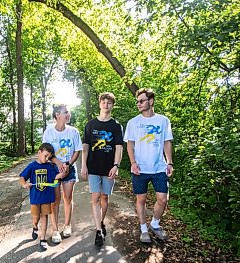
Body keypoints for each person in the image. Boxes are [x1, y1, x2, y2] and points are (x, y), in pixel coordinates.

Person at [123, 88, 174, 243]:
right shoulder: (133, 122)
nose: (138, 104)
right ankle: (143, 229)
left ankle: (155, 224)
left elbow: (167, 142)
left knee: (162, 199)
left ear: (151, 101)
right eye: (137, 101)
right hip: (139, 168)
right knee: (141, 199)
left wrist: (169, 162)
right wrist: (133, 163)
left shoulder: (163, 120)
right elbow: (129, 145)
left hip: (159, 167)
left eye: (142, 101)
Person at [81, 92, 123, 247]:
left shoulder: (116, 126)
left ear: (112, 105)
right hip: (93, 167)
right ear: (99, 104)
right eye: (104, 102)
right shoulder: (90, 125)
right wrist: (84, 165)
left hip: (109, 168)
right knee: (95, 198)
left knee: (105, 198)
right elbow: (85, 147)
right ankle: (98, 230)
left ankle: (101, 222)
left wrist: (116, 165)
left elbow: (119, 148)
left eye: (109, 102)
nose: (106, 104)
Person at [42, 104, 83, 240]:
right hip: (53, 169)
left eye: (68, 112)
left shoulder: (73, 132)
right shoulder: (49, 132)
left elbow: (77, 150)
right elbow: (46, 152)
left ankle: (67, 225)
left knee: (67, 197)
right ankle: (55, 230)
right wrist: (58, 163)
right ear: (57, 115)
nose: (68, 114)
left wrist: (68, 165)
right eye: (66, 112)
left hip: (69, 168)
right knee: (55, 200)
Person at [19, 143, 66, 250]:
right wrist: (24, 184)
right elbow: (22, 177)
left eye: (49, 157)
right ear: (39, 152)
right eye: (45, 155)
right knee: (36, 218)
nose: (47, 158)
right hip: (35, 198)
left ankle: (43, 239)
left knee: (44, 216)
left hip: (46, 197)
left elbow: (55, 177)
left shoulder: (50, 166)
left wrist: (60, 175)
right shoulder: (32, 166)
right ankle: (35, 227)